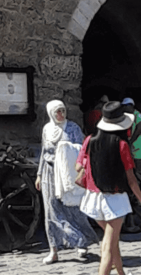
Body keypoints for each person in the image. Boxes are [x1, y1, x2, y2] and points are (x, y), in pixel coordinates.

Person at [76, 101, 141, 275]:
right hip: (115, 200)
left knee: (112, 240)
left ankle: (121, 273)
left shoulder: (89, 140)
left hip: (93, 197)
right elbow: (132, 179)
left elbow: (78, 167)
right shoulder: (122, 145)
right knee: (108, 246)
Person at [36, 100, 97, 264]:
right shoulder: (47, 129)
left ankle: (81, 241)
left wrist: (66, 150)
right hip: (50, 173)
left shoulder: (73, 128)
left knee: (72, 207)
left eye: (62, 111)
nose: (60, 115)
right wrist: (39, 174)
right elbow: (43, 152)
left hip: (66, 173)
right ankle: (53, 249)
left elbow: (82, 149)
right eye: (57, 112)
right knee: (51, 210)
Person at [121, 98, 141, 173]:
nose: (124, 108)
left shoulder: (138, 115)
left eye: (126, 106)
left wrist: (131, 141)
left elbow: (139, 129)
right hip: (128, 143)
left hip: (137, 143)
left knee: (138, 167)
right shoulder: (125, 116)